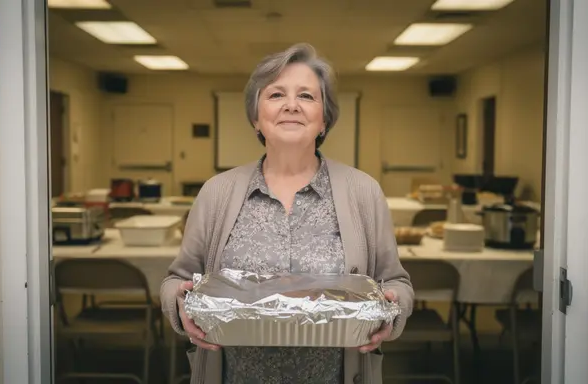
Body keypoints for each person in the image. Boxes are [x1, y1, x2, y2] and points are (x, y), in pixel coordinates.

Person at [161, 43, 414, 384]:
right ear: (256, 116)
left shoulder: (363, 192)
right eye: (277, 94)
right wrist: (178, 303)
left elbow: (396, 281)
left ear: (325, 118)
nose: (291, 105)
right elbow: (177, 280)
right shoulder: (216, 192)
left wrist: (393, 305)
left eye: (307, 96)